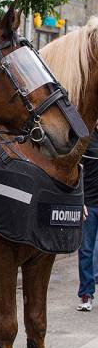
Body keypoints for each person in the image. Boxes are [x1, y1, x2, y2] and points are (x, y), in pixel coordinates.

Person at [77, 129, 98, 311]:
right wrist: (79, 201)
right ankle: (86, 294)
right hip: (89, 205)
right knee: (86, 251)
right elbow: (77, 172)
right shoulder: (87, 141)